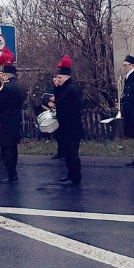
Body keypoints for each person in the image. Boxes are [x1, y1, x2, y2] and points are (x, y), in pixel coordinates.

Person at [0, 47, 25, 183]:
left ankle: (11, 175)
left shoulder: (7, 88)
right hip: (15, 121)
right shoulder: (17, 85)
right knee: (13, 148)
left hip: (7, 122)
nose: (0, 76)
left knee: (9, 149)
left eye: (1, 73)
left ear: (5, 73)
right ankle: (12, 175)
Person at [54, 55, 84, 186]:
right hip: (65, 127)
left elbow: (67, 106)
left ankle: (75, 177)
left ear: (66, 77)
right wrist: (57, 87)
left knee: (72, 154)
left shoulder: (72, 89)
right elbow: (58, 100)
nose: (58, 80)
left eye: (60, 78)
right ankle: (70, 174)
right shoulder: (64, 88)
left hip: (72, 128)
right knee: (67, 153)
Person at [43, 74, 63, 160]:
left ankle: (67, 153)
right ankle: (60, 152)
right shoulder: (51, 89)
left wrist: (55, 100)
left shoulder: (64, 89)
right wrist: (48, 103)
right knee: (58, 135)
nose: (55, 82)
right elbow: (44, 99)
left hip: (63, 114)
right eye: (54, 81)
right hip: (54, 114)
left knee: (64, 135)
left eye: (57, 80)